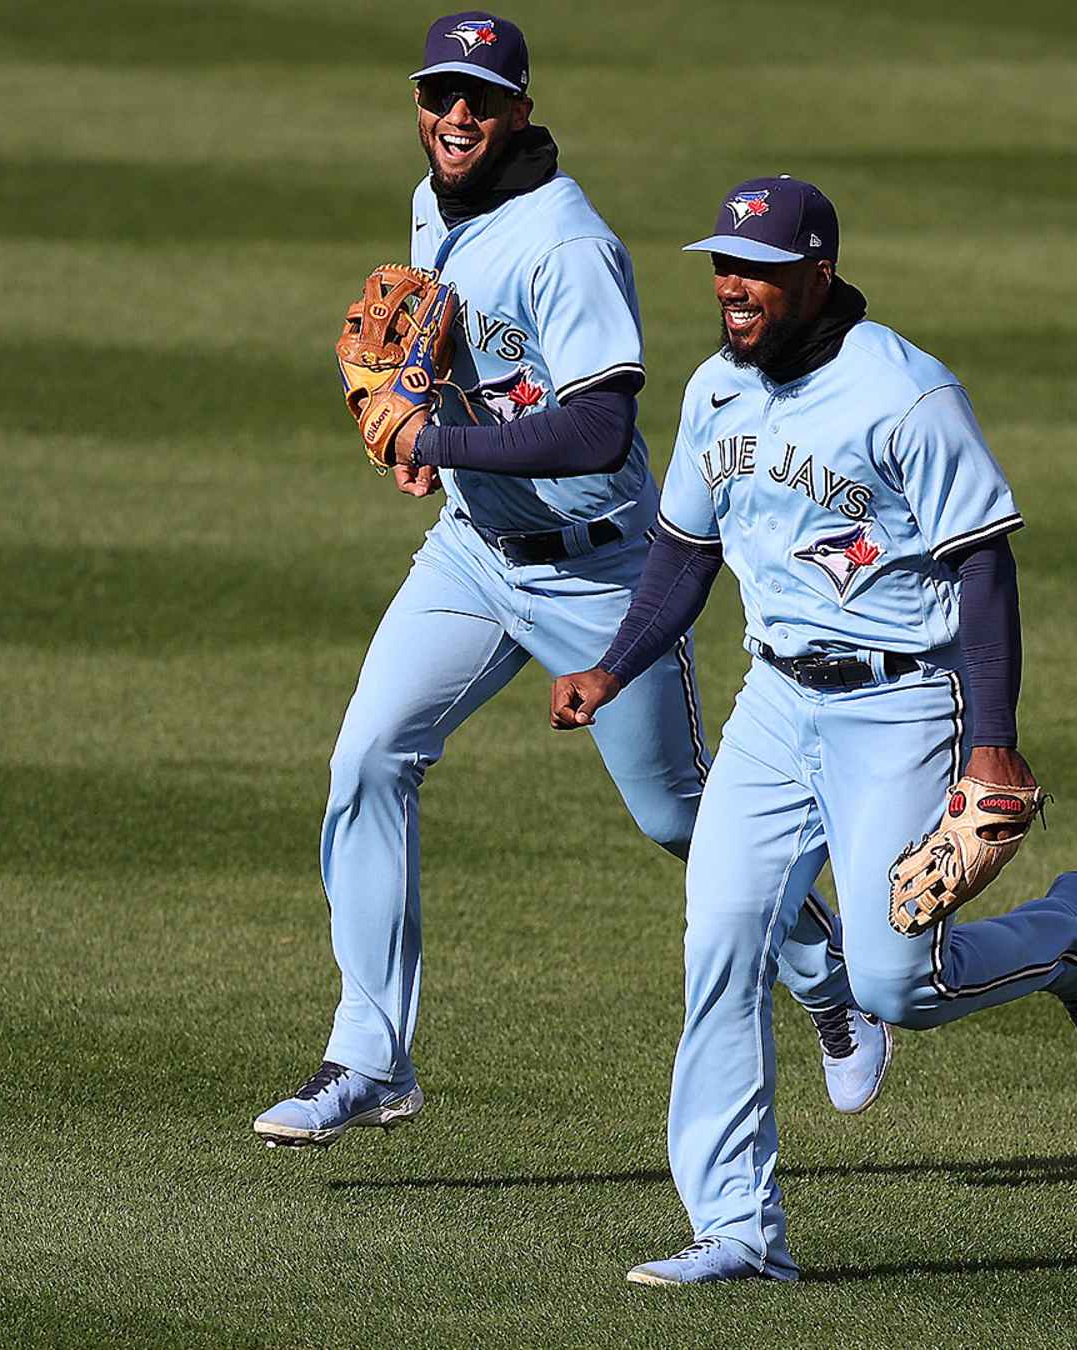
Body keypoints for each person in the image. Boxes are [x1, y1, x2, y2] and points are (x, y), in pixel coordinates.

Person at [254, 15, 884, 1148]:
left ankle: (827, 977)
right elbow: (464, 358)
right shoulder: (432, 202)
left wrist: (429, 442)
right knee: (368, 756)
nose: (455, 118)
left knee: (680, 814)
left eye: (479, 101)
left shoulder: (566, 242)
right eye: (440, 95)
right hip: (471, 553)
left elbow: (597, 428)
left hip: (600, 573)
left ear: (520, 112)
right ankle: (369, 1058)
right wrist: (430, 411)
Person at [550, 175, 1077, 1286]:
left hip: (902, 702)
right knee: (720, 944)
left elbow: (984, 562)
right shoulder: (714, 391)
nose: (733, 290)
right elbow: (683, 552)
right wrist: (613, 664)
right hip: (775, 704)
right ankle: (738, 1228)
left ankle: (1071, 940)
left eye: (758, 274)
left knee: (894, 985)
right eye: (724, 268)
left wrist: (993, 741)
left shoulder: (906, 394)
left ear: (816, 276)